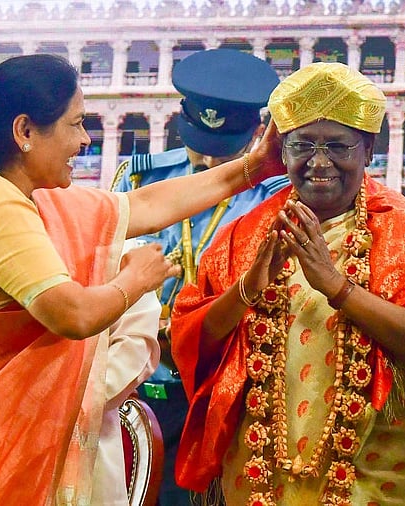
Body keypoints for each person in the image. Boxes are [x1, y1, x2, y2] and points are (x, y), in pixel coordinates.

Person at [0, 53, 284, 504]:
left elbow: (143, 207)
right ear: (25, 131)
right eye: (76, 124)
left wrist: (253, 167)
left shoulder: (24, 196)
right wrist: (135, 281)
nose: (85, 140)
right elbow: (72, 314)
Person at [170, 62, 405, 505]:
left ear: (368, 149)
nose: (319, 162)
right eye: (302, 145)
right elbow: (191, 341)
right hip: (258, 476)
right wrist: (247, 289)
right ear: (282, 151)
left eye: (338, 146)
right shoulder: (247, 234)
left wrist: (338, 288)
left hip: (379, 474)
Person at [112, 47, 288, 505]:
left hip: (226, 389)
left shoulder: (277, 196)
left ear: (256, 132)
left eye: (222, 150)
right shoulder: (140, 181)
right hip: (143, 384)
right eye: (198, 145)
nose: (209, 162)